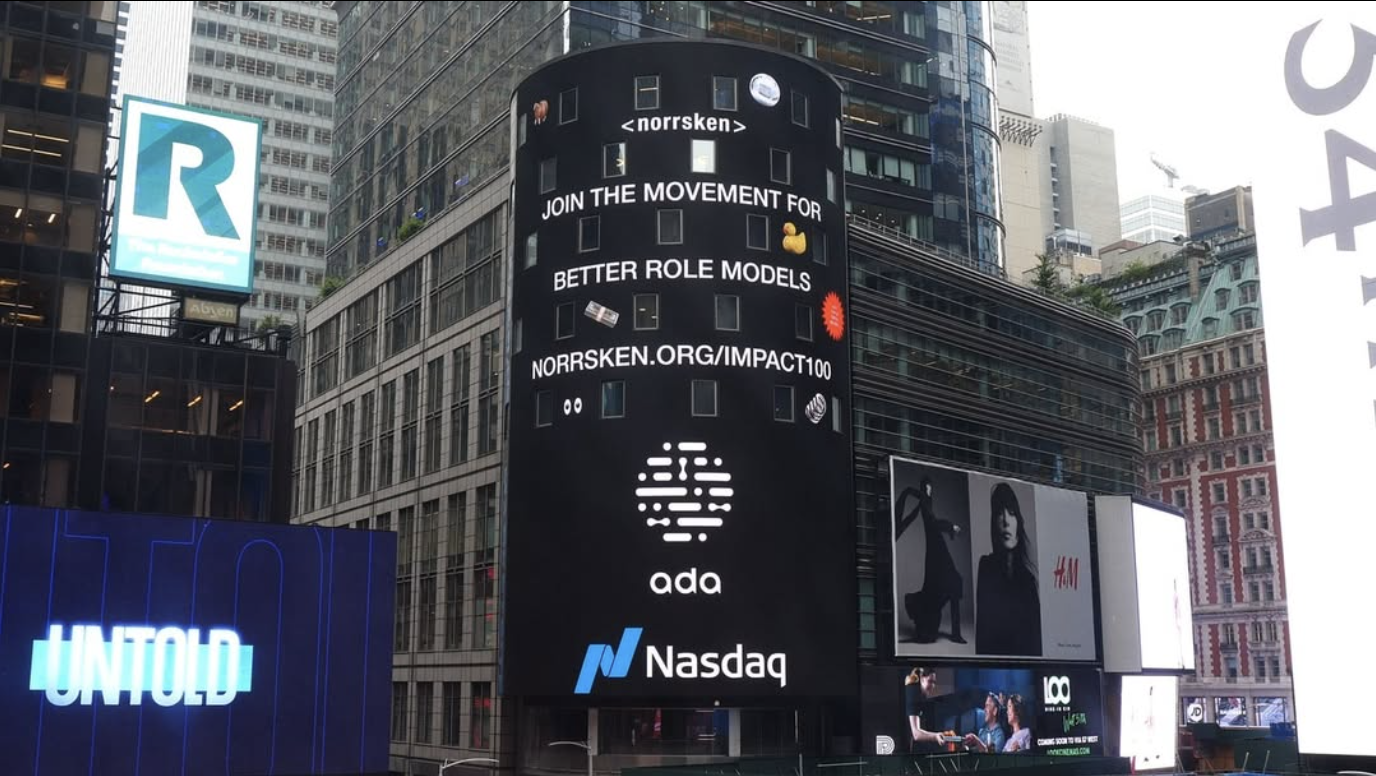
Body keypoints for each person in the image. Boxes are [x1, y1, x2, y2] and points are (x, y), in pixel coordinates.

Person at [974, 483, 1042, 656]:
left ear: (1019, 522)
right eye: (999, 513)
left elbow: (1036, 643)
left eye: (1011, 513)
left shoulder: (1028, 581)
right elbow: (983, 635)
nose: (1005, 521)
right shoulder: (986, 567)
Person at [896, 477, 966, 644]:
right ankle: (951, 632)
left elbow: (933, 524)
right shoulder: (925, 502)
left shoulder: (926, 501)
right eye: (928, 486)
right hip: (936, 549)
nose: (930, 489)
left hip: (936, 547)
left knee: (950, 585)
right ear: (926, 487)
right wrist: (951, 526)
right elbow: (933, 524)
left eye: (929, 487)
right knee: (949, 585)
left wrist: (949, 528)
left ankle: (953, 632)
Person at [965, 694, 1032, 753]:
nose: (1007, 712)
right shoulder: (1009, 741)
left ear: (1017, 709)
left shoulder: (1025, 733)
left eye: (1009, 706)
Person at [903, 668, 950, 753]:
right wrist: (935, 736)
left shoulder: (918, 694)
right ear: (922, 678)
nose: (933, 686)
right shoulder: (913, 694)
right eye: (930, 681)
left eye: (934, 682)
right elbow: (916, 734)